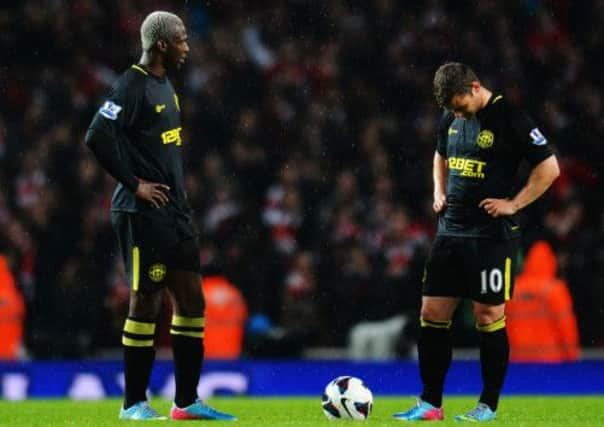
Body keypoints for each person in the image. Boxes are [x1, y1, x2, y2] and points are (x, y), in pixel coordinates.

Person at [85, 11, 236, 421]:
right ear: (163, 44)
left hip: (175, 212)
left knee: (192, 301)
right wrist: (134, 184)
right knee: (146, 303)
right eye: (182, 40)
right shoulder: (131, 85)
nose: (188, 47)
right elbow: (96, 135)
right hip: (142, 212)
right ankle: (133, 403)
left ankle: (186, 402)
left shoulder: (165, 85)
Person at [393, 62, 560, 422]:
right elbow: (440, 154)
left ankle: (488, 404)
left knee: (488, 316)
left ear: (474, 87)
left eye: (460, 106)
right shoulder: (450, 115)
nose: (456, 114)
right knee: (431, 314)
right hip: (450, 233)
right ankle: (430, 404)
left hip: (490, 238)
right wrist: (438, 191)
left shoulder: (511, 116)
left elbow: (549, 168)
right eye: (451, 110)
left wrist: (513, 203)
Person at [506, 240, 579, 362]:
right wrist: (572, 354)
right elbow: (566, 325)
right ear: (551, 261)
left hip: (518, 360)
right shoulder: (556, 289)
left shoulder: (514, 288)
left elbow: (503, 326)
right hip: (550, 360)